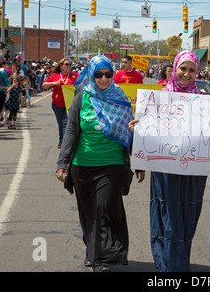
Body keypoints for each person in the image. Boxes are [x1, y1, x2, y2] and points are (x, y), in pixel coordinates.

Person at [56, 55, 145, 272]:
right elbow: (71, 131)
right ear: (91, 74)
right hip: (82, 164)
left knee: (104, 207)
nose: (103, 79)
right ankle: (93, 252)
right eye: (98, 74)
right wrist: (63, 162)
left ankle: (101, 260)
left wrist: (140, 161)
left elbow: (129, 132)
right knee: (88, 212)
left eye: (107, 74)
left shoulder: (121, 97)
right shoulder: (81, 98)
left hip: (112, 164)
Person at [129, 51, 207, 272]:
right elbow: (148, 136)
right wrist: (138, 130)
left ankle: (179, 267)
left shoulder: (203, 100)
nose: (186, 74)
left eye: (192, 70)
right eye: (183, 68)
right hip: (165, 171)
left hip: (193, 173)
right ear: (174, 69)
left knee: (187, 221)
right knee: (168, 221)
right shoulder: (159, 99)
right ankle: (166, 268)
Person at [42, 58, 78, 148]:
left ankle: (65, 142)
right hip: (57, 103)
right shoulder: (55, 76)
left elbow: (85, 81)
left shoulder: (75, 75)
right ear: (61, 66)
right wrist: (54, 83)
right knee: (60, 123)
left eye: (70, 64)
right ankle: (61, 140)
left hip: (70, 104)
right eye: (67, 64)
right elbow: (44, 85)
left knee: (66, 122)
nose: (69, 66)